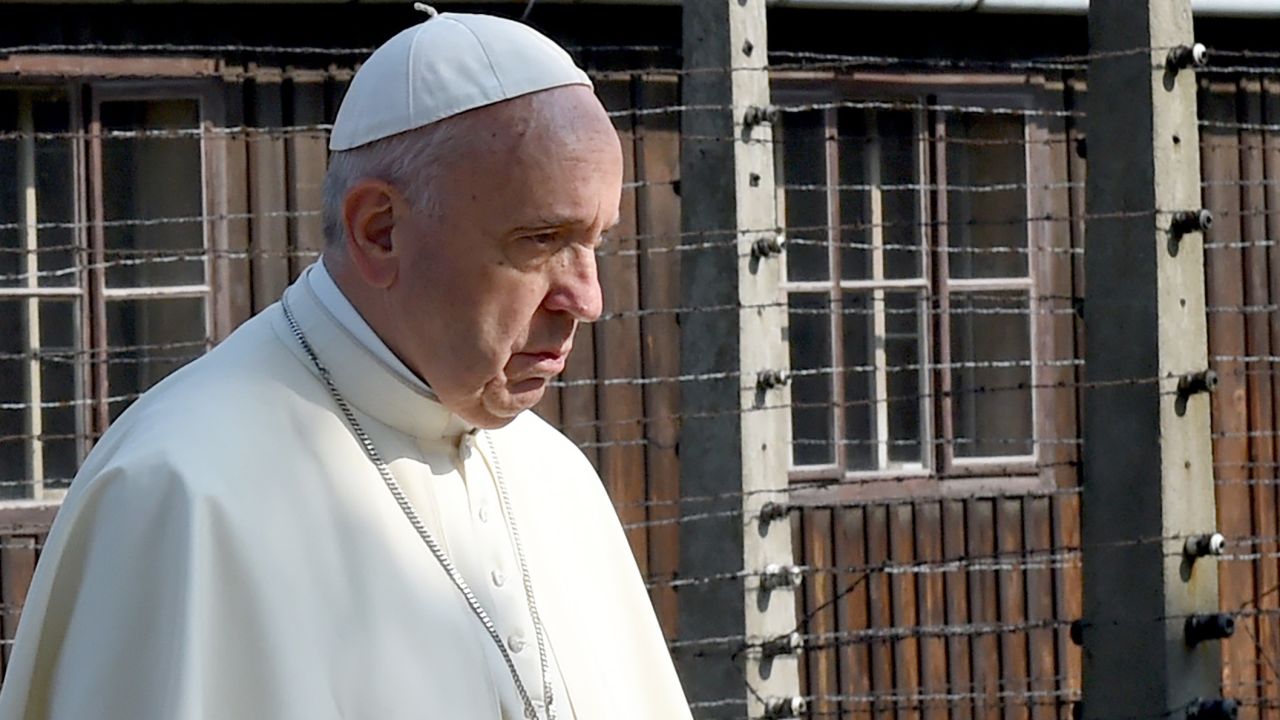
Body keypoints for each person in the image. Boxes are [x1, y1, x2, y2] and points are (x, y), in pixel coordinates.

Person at [0, 11, 692, 720]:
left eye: (597, 240)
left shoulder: (558, 480)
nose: (589, 298)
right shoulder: (184, 493)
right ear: (379, 231)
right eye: (542, 239)